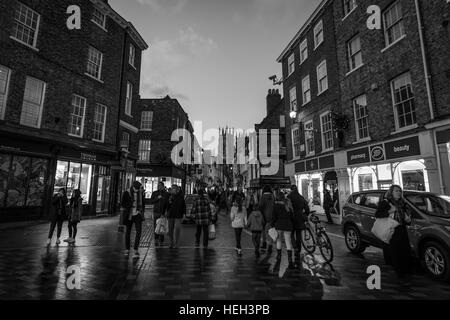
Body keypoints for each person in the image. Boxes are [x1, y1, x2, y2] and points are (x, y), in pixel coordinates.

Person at [375, 184, 413, 278]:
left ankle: (407, 269)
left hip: (401, 228)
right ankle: (399, 271)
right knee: (395, 250)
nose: (399, 192)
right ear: (391, 192)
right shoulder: (386, 202)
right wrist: (390, 211)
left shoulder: (403, 203)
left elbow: (406, 216)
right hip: (391, 229)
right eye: (396, 191)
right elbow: (377, 214)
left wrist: (408, 220)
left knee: (405, 249)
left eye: (400, 191)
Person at [288, 185, 310, 269]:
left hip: (292, 218)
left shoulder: (289, 197)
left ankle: (295, 247)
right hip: (300, 218)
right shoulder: (301, 197)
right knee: (298, 233)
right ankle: (299, 249)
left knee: (291, 234)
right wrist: (306, 214)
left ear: (291, 190)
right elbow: (307, 208)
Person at [121, 181, 146, 257]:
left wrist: (141, 212)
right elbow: (123, 203)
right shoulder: (126, 193)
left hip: (137, 214)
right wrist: (130, 204)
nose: (137, 190)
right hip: (129, 214)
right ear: (132, 187)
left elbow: (143, 203)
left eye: (138, 189)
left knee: (139, 231)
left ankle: (136, 249)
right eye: (136, 189)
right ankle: (127, 249)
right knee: (128, 232)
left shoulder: (140, 193)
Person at [272, 190, 295, 269]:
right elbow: (292, 216)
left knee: (279, 241)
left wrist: (272, 225)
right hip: (288, 225)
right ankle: (290, 260)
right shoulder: (287, 205)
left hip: (278, 225)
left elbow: (273, 217)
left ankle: (278, 256)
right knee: (288, 243)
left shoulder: (276, 206)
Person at [149, 182, 169, 246]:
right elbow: (151, 201)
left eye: (160, 185)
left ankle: (161, 239)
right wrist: (157, 198)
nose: (159, 186)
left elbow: (167, 203)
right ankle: (156, 238)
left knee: (162, 225)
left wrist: (166, 211)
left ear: (163, 186)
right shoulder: (155, 193)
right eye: (158, 185)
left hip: (162, 212)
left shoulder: (166, 194)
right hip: (156, 211)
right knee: (156, 225)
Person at [259, 185, 275, 255]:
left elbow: (260, 206)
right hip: (273, 216)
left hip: (265, 215)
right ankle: (270, 246)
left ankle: (264, 243)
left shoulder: (263, 197)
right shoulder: (272, 196)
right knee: (271, 231)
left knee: (264, 231)